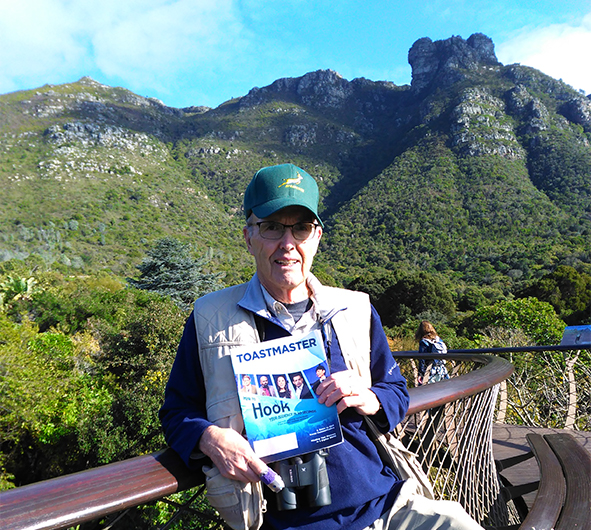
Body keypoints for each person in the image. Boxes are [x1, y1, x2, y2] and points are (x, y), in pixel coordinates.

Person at [159, 163, 482, 530]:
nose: (288, 243)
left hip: (387, 505)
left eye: (301, 228)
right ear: (248, 236)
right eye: (271, 227)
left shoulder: (355, 308)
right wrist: (210, 438)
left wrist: (370, 398)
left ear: (317, 237)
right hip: (284, 521)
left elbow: (395, 392)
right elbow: (176, 413)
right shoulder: (210, 317)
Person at [415, 321, 450, 386]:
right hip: (441, 369)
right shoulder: (438, 339)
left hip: (429, 370)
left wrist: (420, 374)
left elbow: (422, 358)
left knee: (425, 392)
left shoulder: (424, 341)